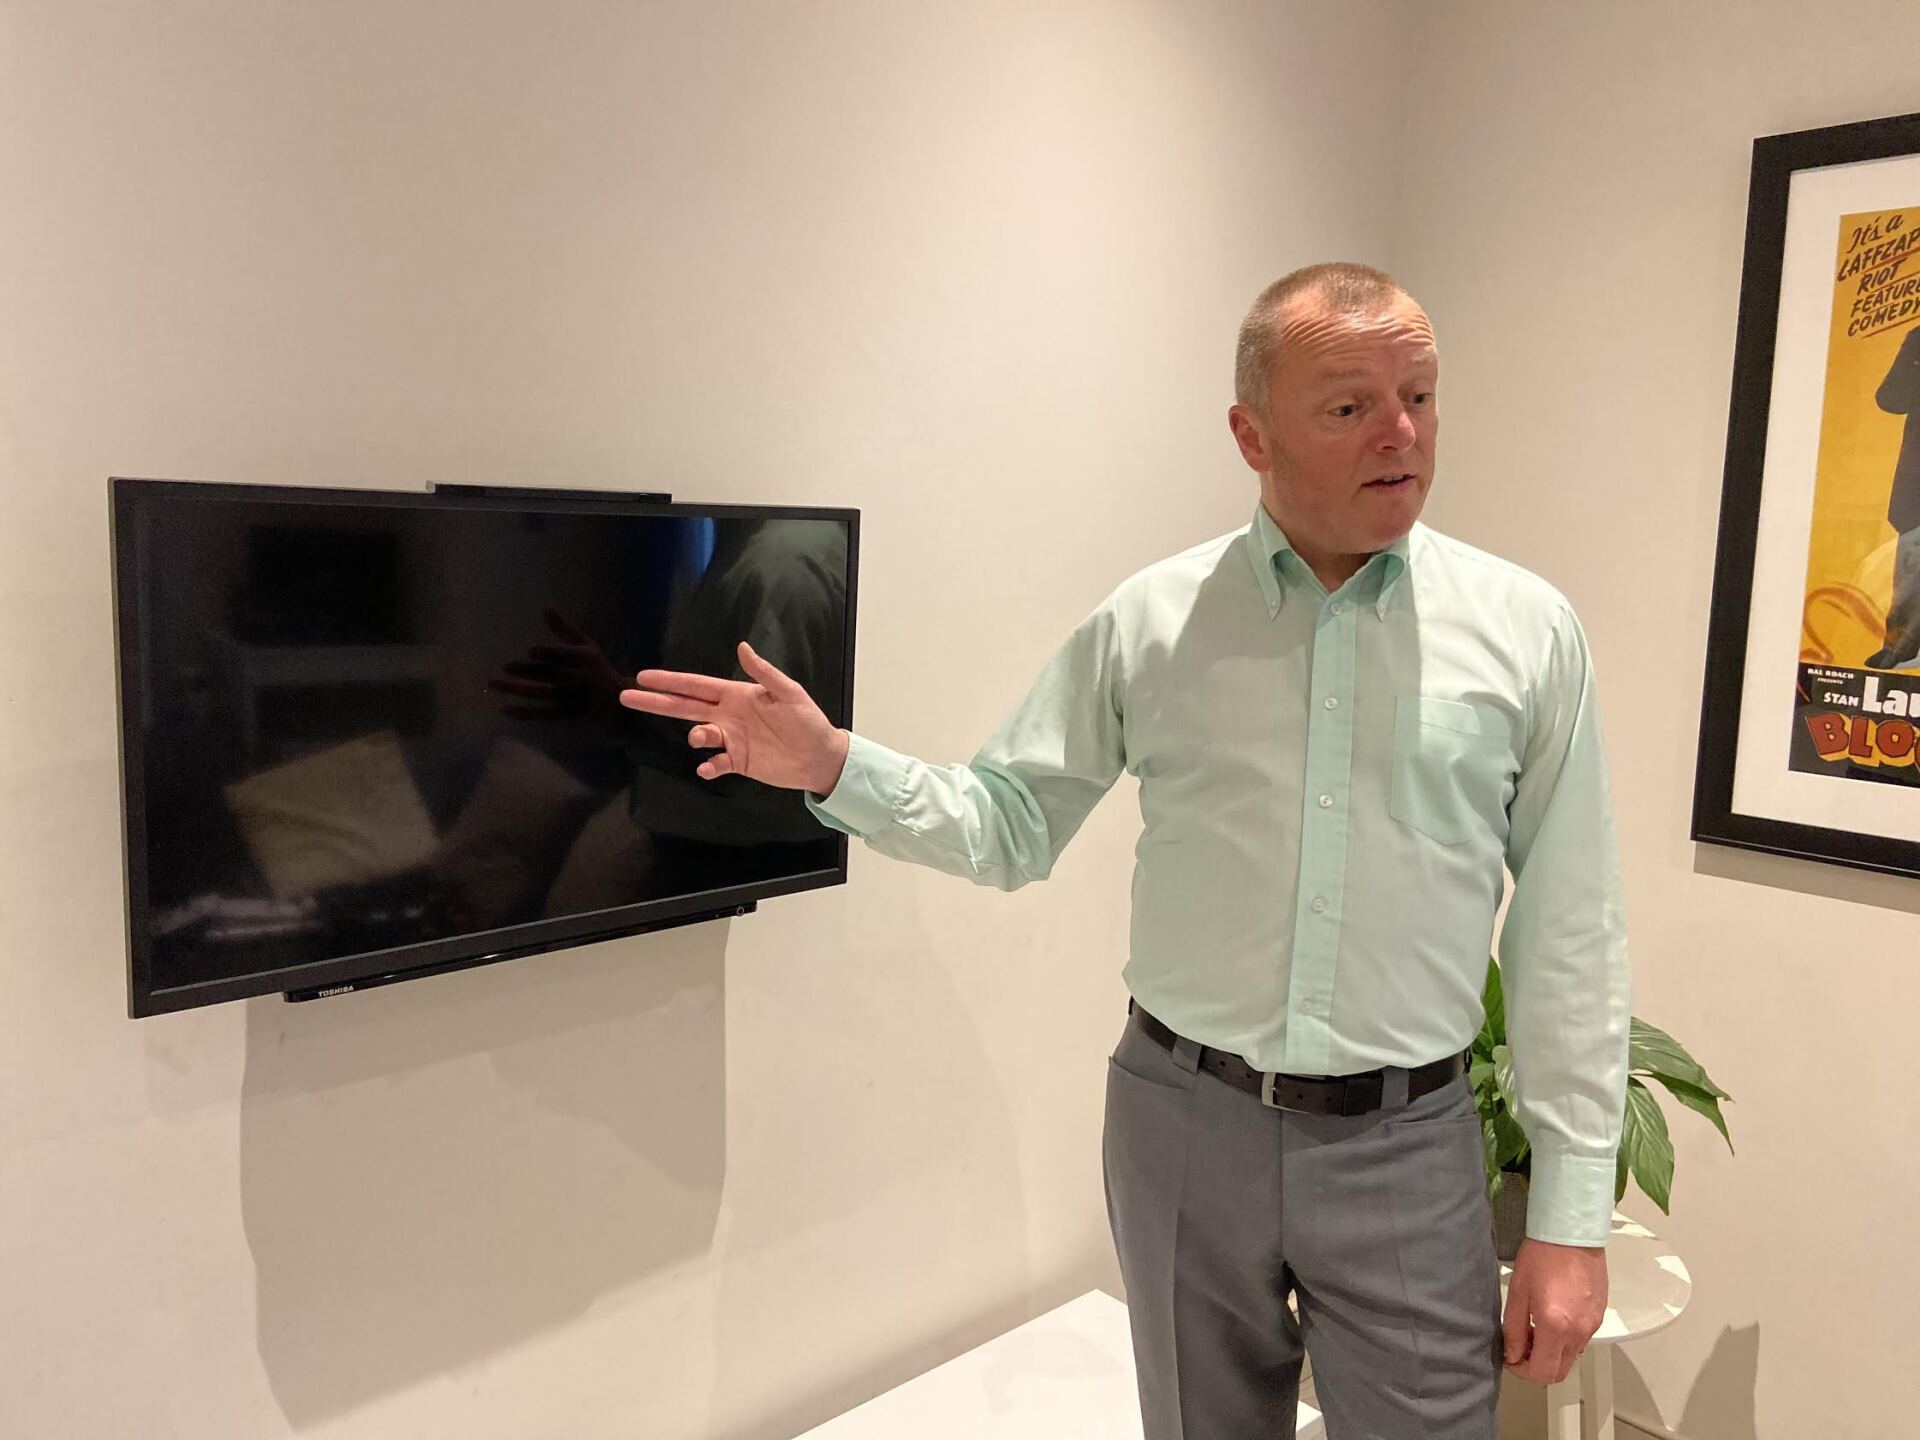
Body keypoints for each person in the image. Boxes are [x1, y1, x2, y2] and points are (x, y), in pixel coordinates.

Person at [618, 262, 1630, 1439]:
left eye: (1420, 395)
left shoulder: (1526, 634)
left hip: (1406, 1147)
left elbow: (1572, 931)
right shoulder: (1152, 623)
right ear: (1252, 436)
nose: (1400, 433)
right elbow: (1008, 822)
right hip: (1184, 1124)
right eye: (1351, 405)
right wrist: (836, 766)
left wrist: (1570, 1218)